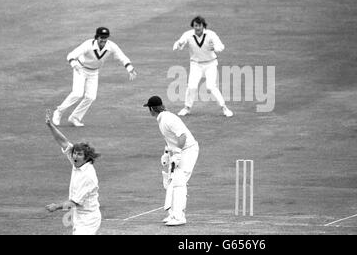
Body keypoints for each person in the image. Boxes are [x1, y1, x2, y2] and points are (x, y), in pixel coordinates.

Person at [52, 27, 137, 126]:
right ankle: (58, 112)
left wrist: (129, 68)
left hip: (94, 72)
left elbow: (121, 56)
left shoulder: (111, 46)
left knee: (91, 97)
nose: (104, 40)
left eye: (106, 37)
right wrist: (74, 64)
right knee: (77, 93)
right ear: (97, 37)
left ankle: (74, 118)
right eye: (102, 37)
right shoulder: (88, 44)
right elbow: (71, 55)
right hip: (80, 69)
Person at [144, 96, 199, 226]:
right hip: (179, 151)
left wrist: (178, 154)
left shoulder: (168, 119)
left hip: (188, 150)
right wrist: (166, 154)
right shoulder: (162, 119)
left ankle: (179, 217)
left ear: (152, 109)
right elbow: (171, 140)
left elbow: (182, 136)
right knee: (170, 181)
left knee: (179, 182)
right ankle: (173, 214)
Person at [45, 110, 101, 235]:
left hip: (89, 219)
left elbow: (73, 203)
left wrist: (56, 206)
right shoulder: (77, 161)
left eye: (79, 154)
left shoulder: (88, 176)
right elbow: (63, 142)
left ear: (87, 157)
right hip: (78, 215)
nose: (75, 155)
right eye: (74, 152)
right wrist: (50, 125)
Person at [173, 16, 233, 117]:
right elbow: (178, 45)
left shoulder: (211, 34)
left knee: (211, 86)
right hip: (196, 64)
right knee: (191, 86)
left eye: (199, 25)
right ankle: (187, 108)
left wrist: (215, 48)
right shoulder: (188, 35)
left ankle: (224, 108)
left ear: (203, 26)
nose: (197, 28)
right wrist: (179, 44)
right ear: (193, 26)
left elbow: (221, 46)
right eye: (195, 26)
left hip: (211, 63)